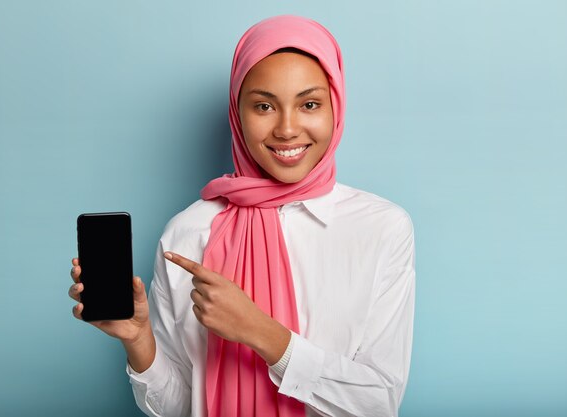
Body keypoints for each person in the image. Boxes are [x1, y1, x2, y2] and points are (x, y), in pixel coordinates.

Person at [68, 15, 415, 417]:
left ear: (336, 108)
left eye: (309, 104)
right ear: (238, 113)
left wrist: (260, 333)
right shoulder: (188, 233)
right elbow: (182, 407)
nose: (287, 128)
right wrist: (139, 340)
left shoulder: (381, 228)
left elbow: (379, 403)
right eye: (264, 105)